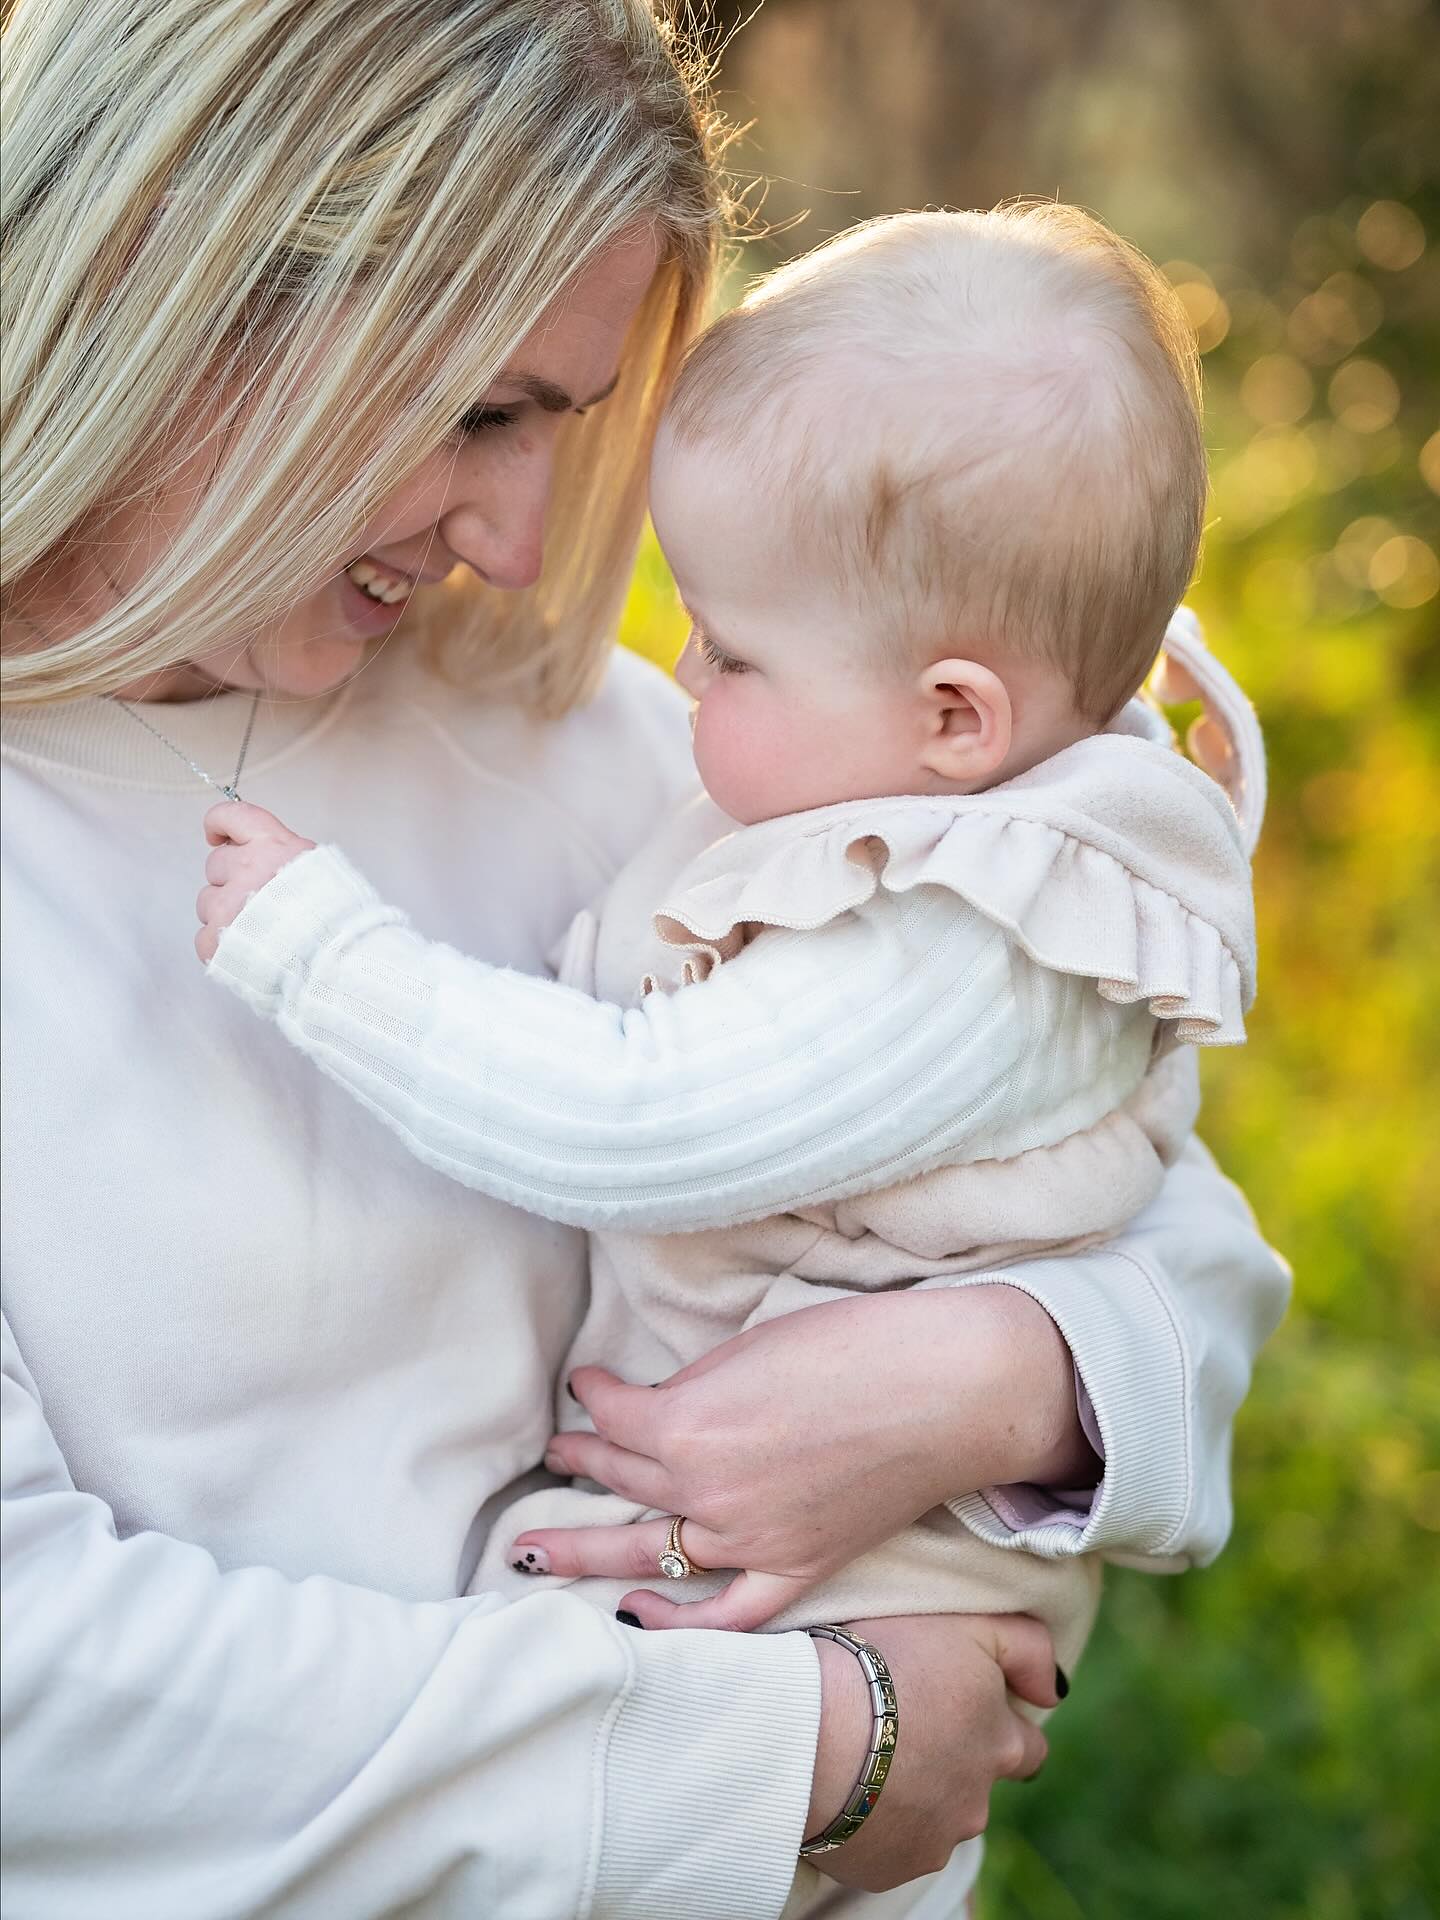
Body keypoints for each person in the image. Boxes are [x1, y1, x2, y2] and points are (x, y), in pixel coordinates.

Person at [0, 4, 1290, 1917]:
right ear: (167, 266)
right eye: (479, 409)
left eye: (567, 422)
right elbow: (43, 1696)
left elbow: (1138, 1191)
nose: (520, 546)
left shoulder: (636, 761)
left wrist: (1010, 1377)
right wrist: (814, 1754)